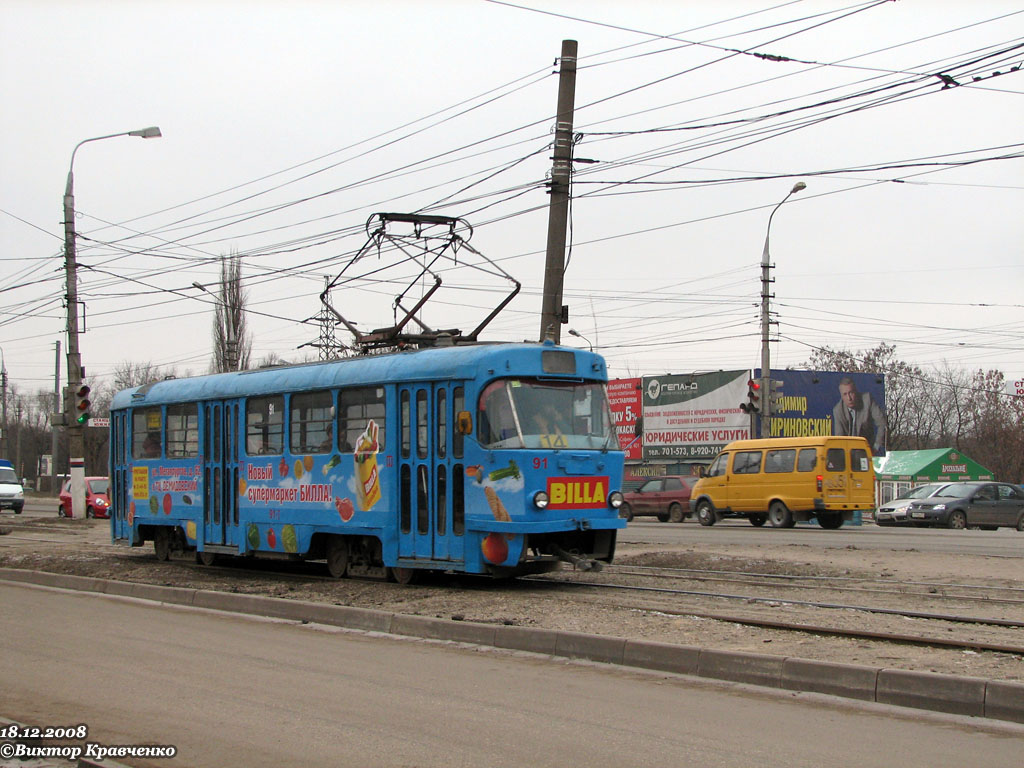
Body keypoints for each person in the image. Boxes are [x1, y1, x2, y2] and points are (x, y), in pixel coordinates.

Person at [832, 377, 886, 454]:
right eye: (845, 394)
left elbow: (882, 423)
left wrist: (876, 447)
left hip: (868, 449)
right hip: (849, 453)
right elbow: (839, 437)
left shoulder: (867, 399)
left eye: (851, 393)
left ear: (856, 392)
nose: (849, 398)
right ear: (841, 396)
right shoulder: (838, 410)